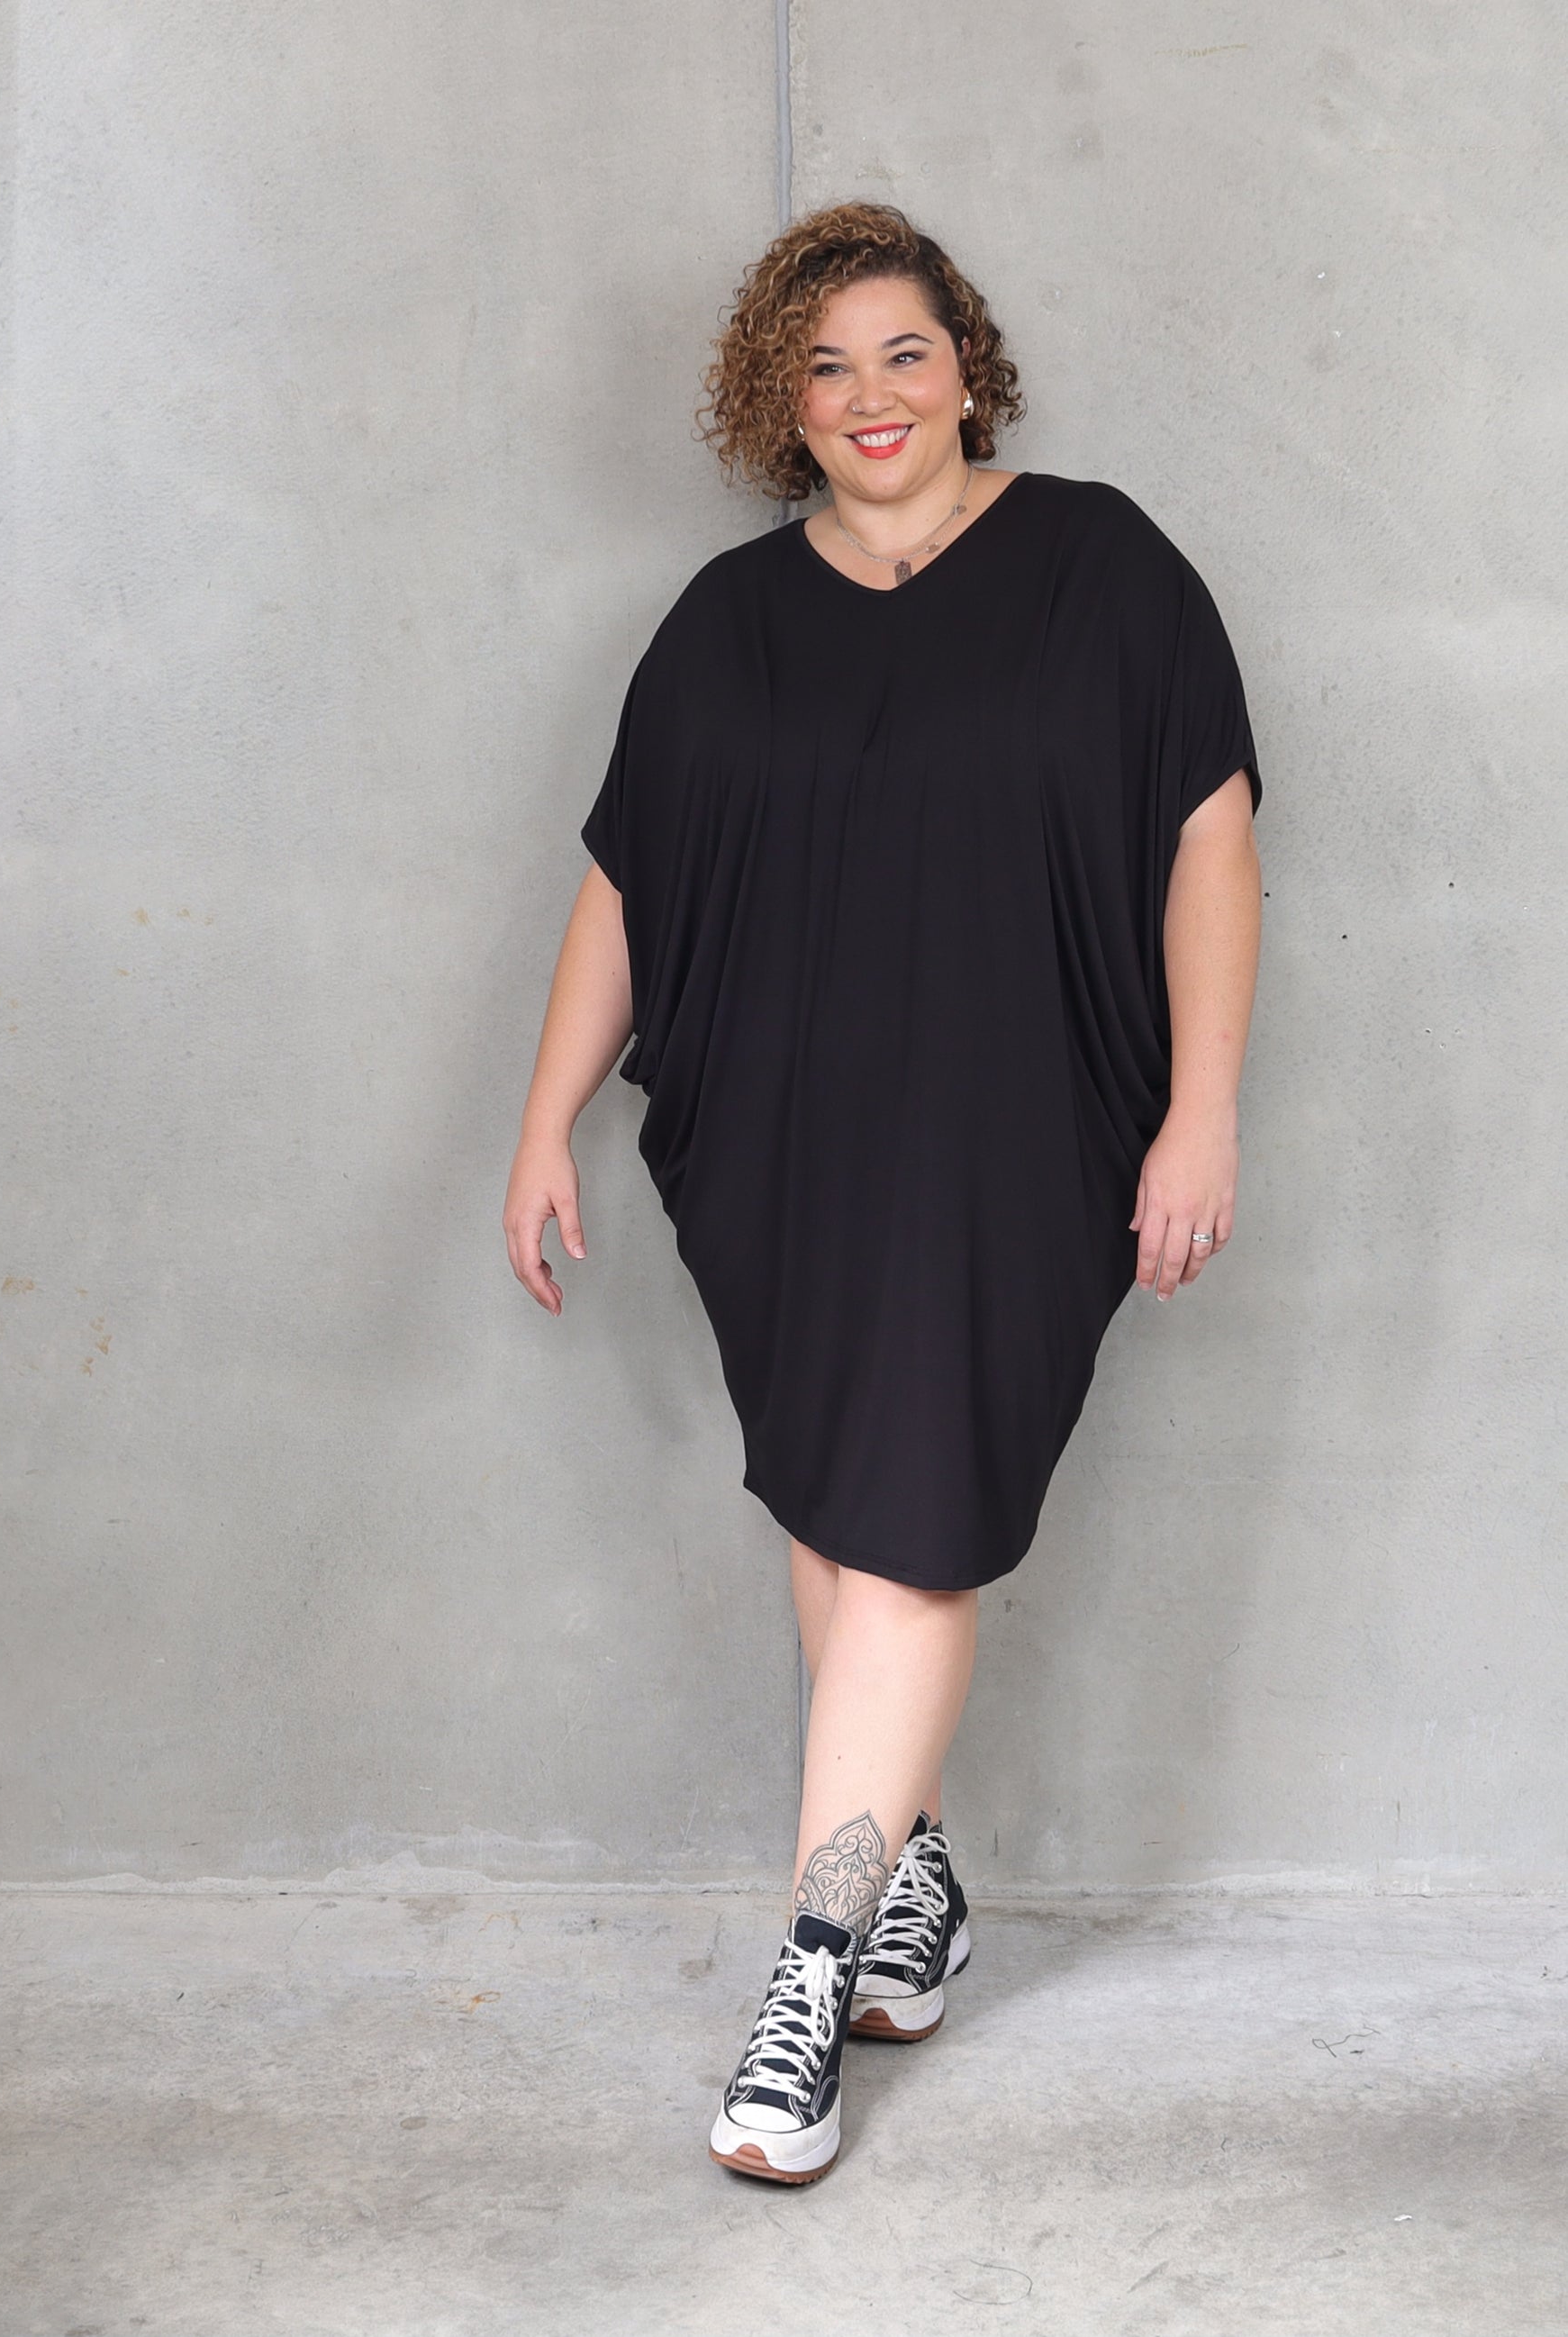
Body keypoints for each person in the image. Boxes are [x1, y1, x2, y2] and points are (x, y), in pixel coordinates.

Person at [503, 202, 1264, 2185]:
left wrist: (1200, 1112)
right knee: (843, 1510)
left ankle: (814, 1962)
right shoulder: (722, 622)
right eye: (824, 365)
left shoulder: (1102, 567)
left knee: (914, 1532)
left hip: (1021, 1135)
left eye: (903, 352)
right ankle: (912, 1882)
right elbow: (623, 881)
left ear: (966, 367)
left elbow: (1208, 841)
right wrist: (544, 1118)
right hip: (783, 1143)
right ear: (778, 399)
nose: (870, 396)